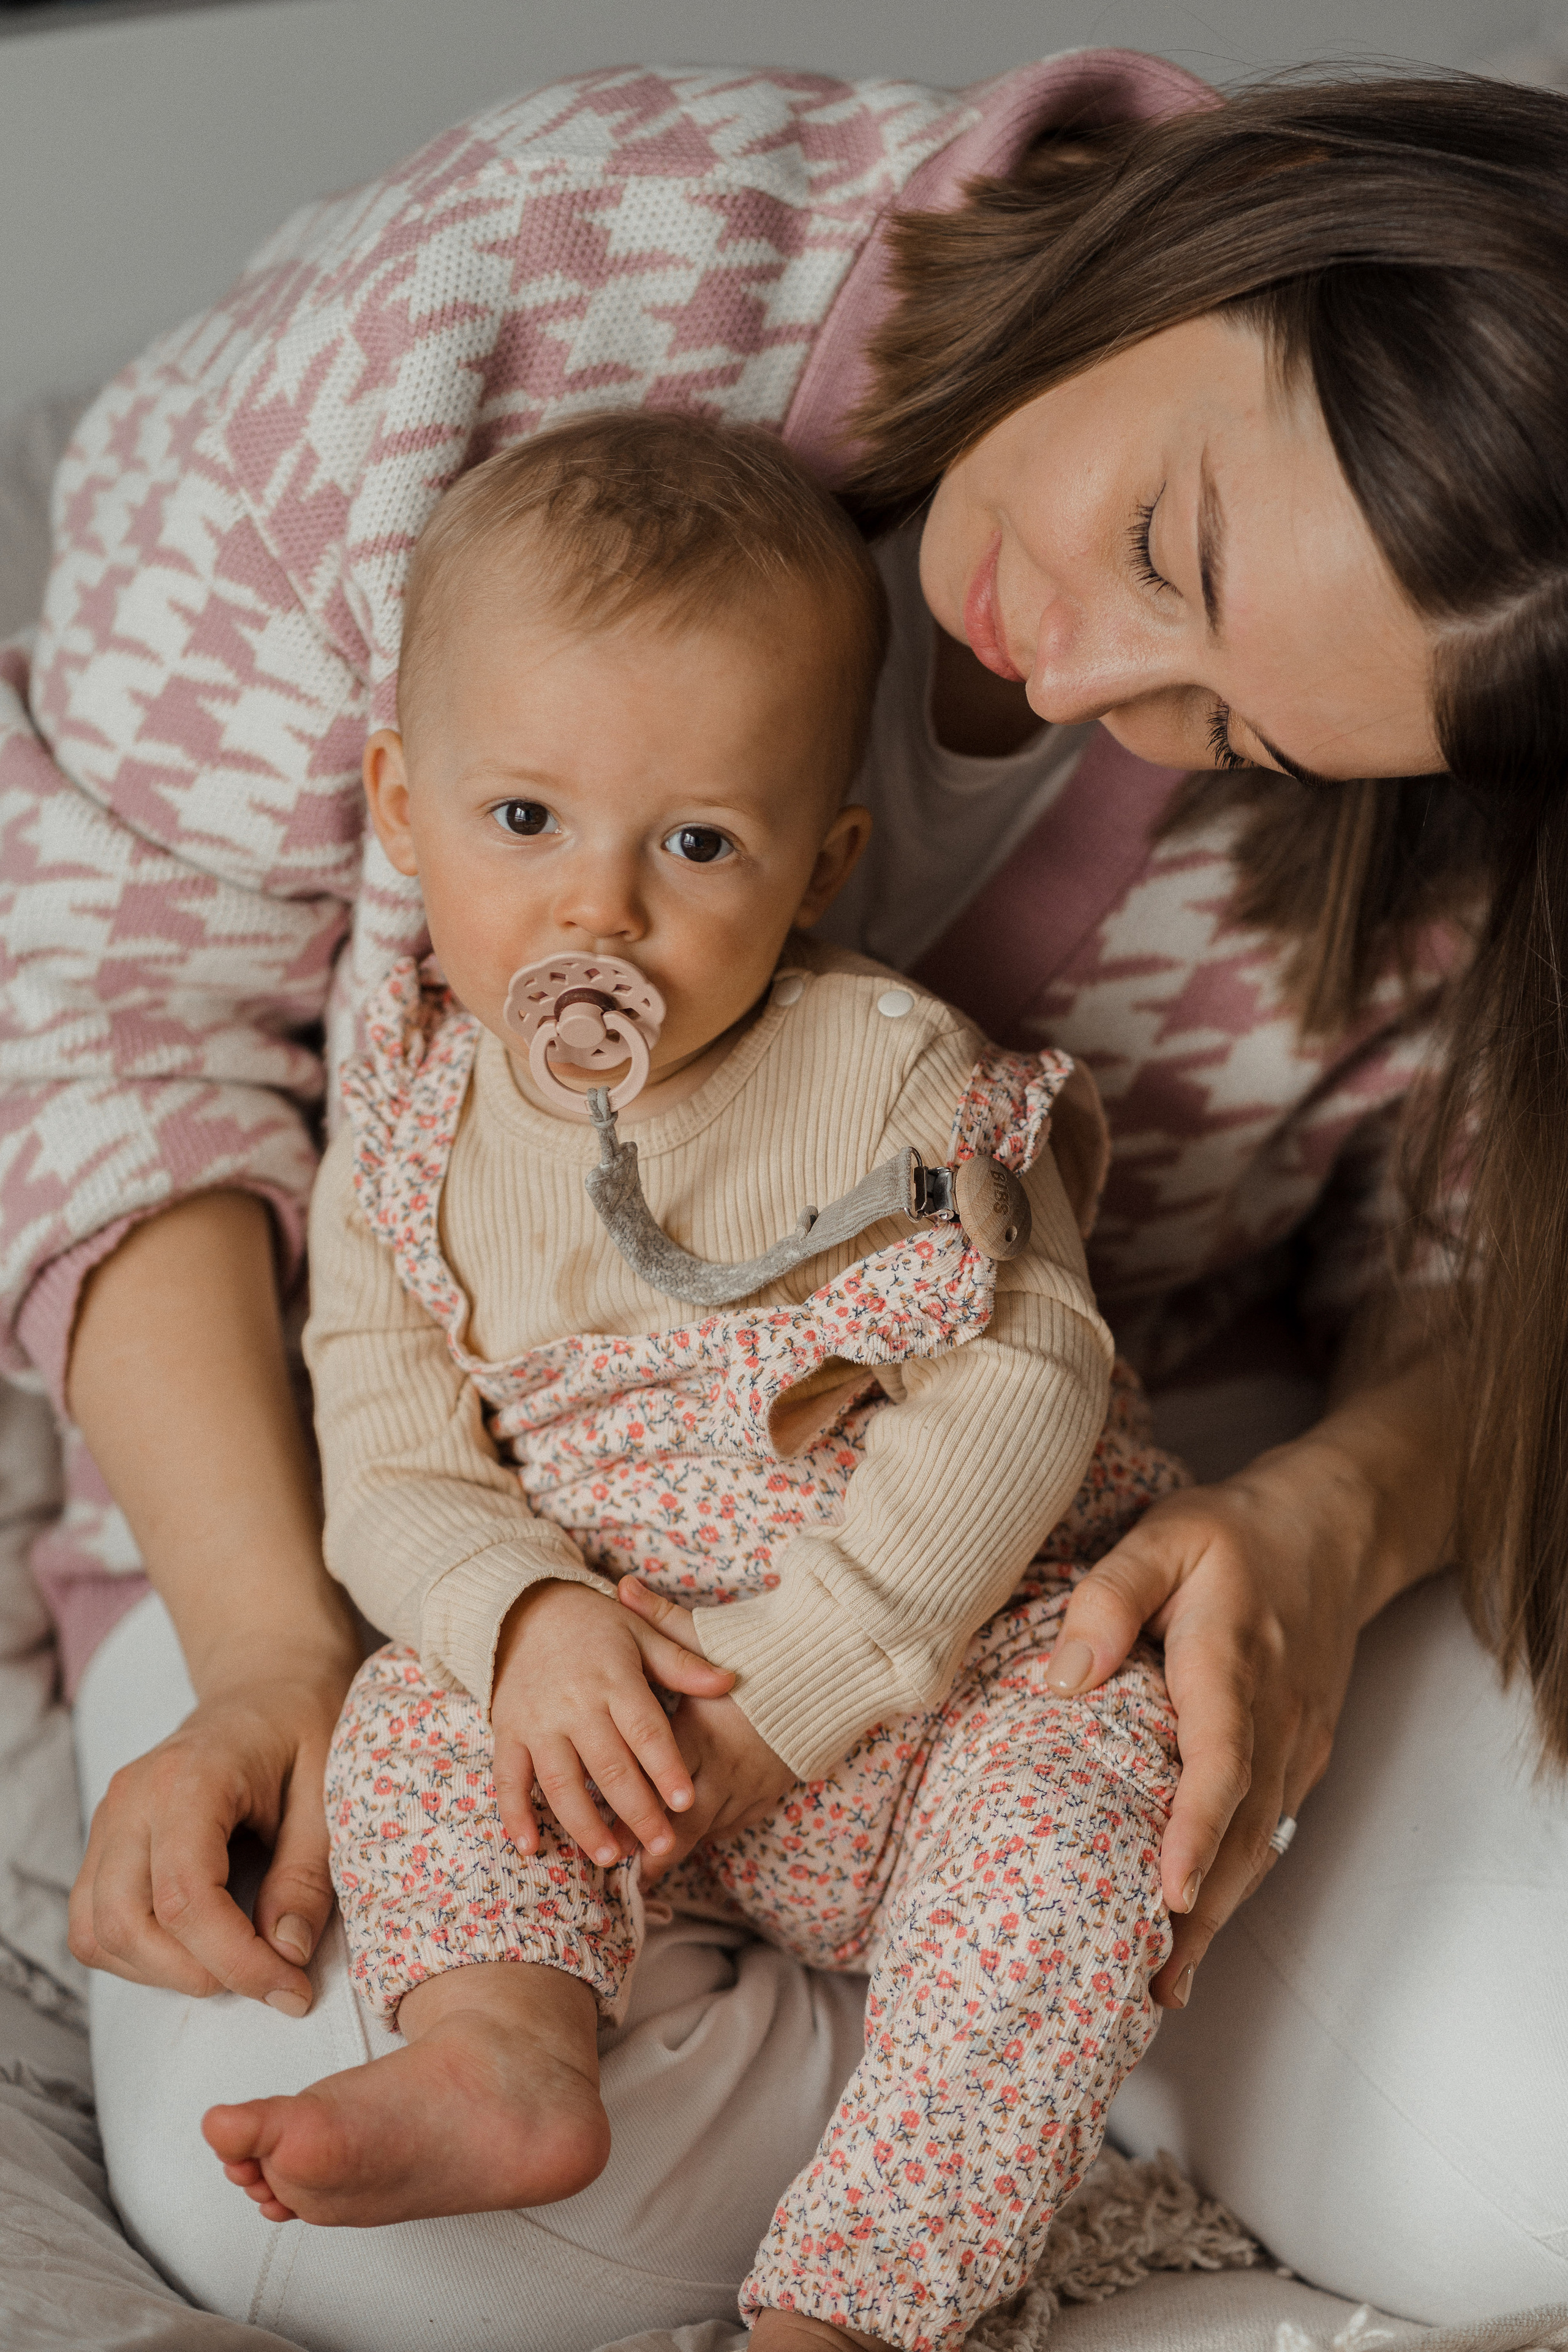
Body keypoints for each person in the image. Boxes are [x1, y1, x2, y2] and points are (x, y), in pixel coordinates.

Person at [7, 45, 1567, 2348]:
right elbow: (103, 1013)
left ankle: (968, 2091)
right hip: (454, 1567)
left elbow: (1463, 1266)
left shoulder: (1025, 1052)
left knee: (1525, 2161)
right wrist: (276, 1653)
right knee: (349, 2248)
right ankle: (985, 2084)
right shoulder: (532, 275)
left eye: (1239, 733)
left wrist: (1328, 1526)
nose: (1102, 681)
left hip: (1059, 1591)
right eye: (1165, 552)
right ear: (1233, 221)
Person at [203, 412, 1185, 2352]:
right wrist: (524, 1620)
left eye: (697, 844)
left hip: (928, 1689)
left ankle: (857, 2302)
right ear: (402, 807)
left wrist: (814, 1686)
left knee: (1091, 1826)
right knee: (411, 1711)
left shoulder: (890, 1077)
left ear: (818, 866)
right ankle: (505, 2047)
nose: (602, 912)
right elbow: (389, 1456)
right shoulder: (406, 1130)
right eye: (524, 823)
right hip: (610, 1715)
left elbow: (1022, 1386)